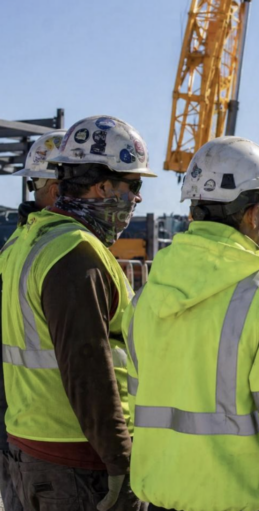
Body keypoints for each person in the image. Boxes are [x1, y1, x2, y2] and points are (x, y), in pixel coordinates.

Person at [124, 136, 259, 511]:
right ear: (255, 215)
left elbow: (137, 403)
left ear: (194, 212)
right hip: (238, 502)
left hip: (160, 496)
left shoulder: (147, 297)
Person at [0, 115, 153, 511]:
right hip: (78, 461)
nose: (136, 199)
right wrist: (120, 460)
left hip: (30, 444)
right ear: (103, 186)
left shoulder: (28, 242)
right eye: (132, 186)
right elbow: (90, 373)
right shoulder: (76, 254)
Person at [0, 129, 65, 511]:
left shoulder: (15, 247)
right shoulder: (60, 253)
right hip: (53, 440)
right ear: (57, 190)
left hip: (17, 432)